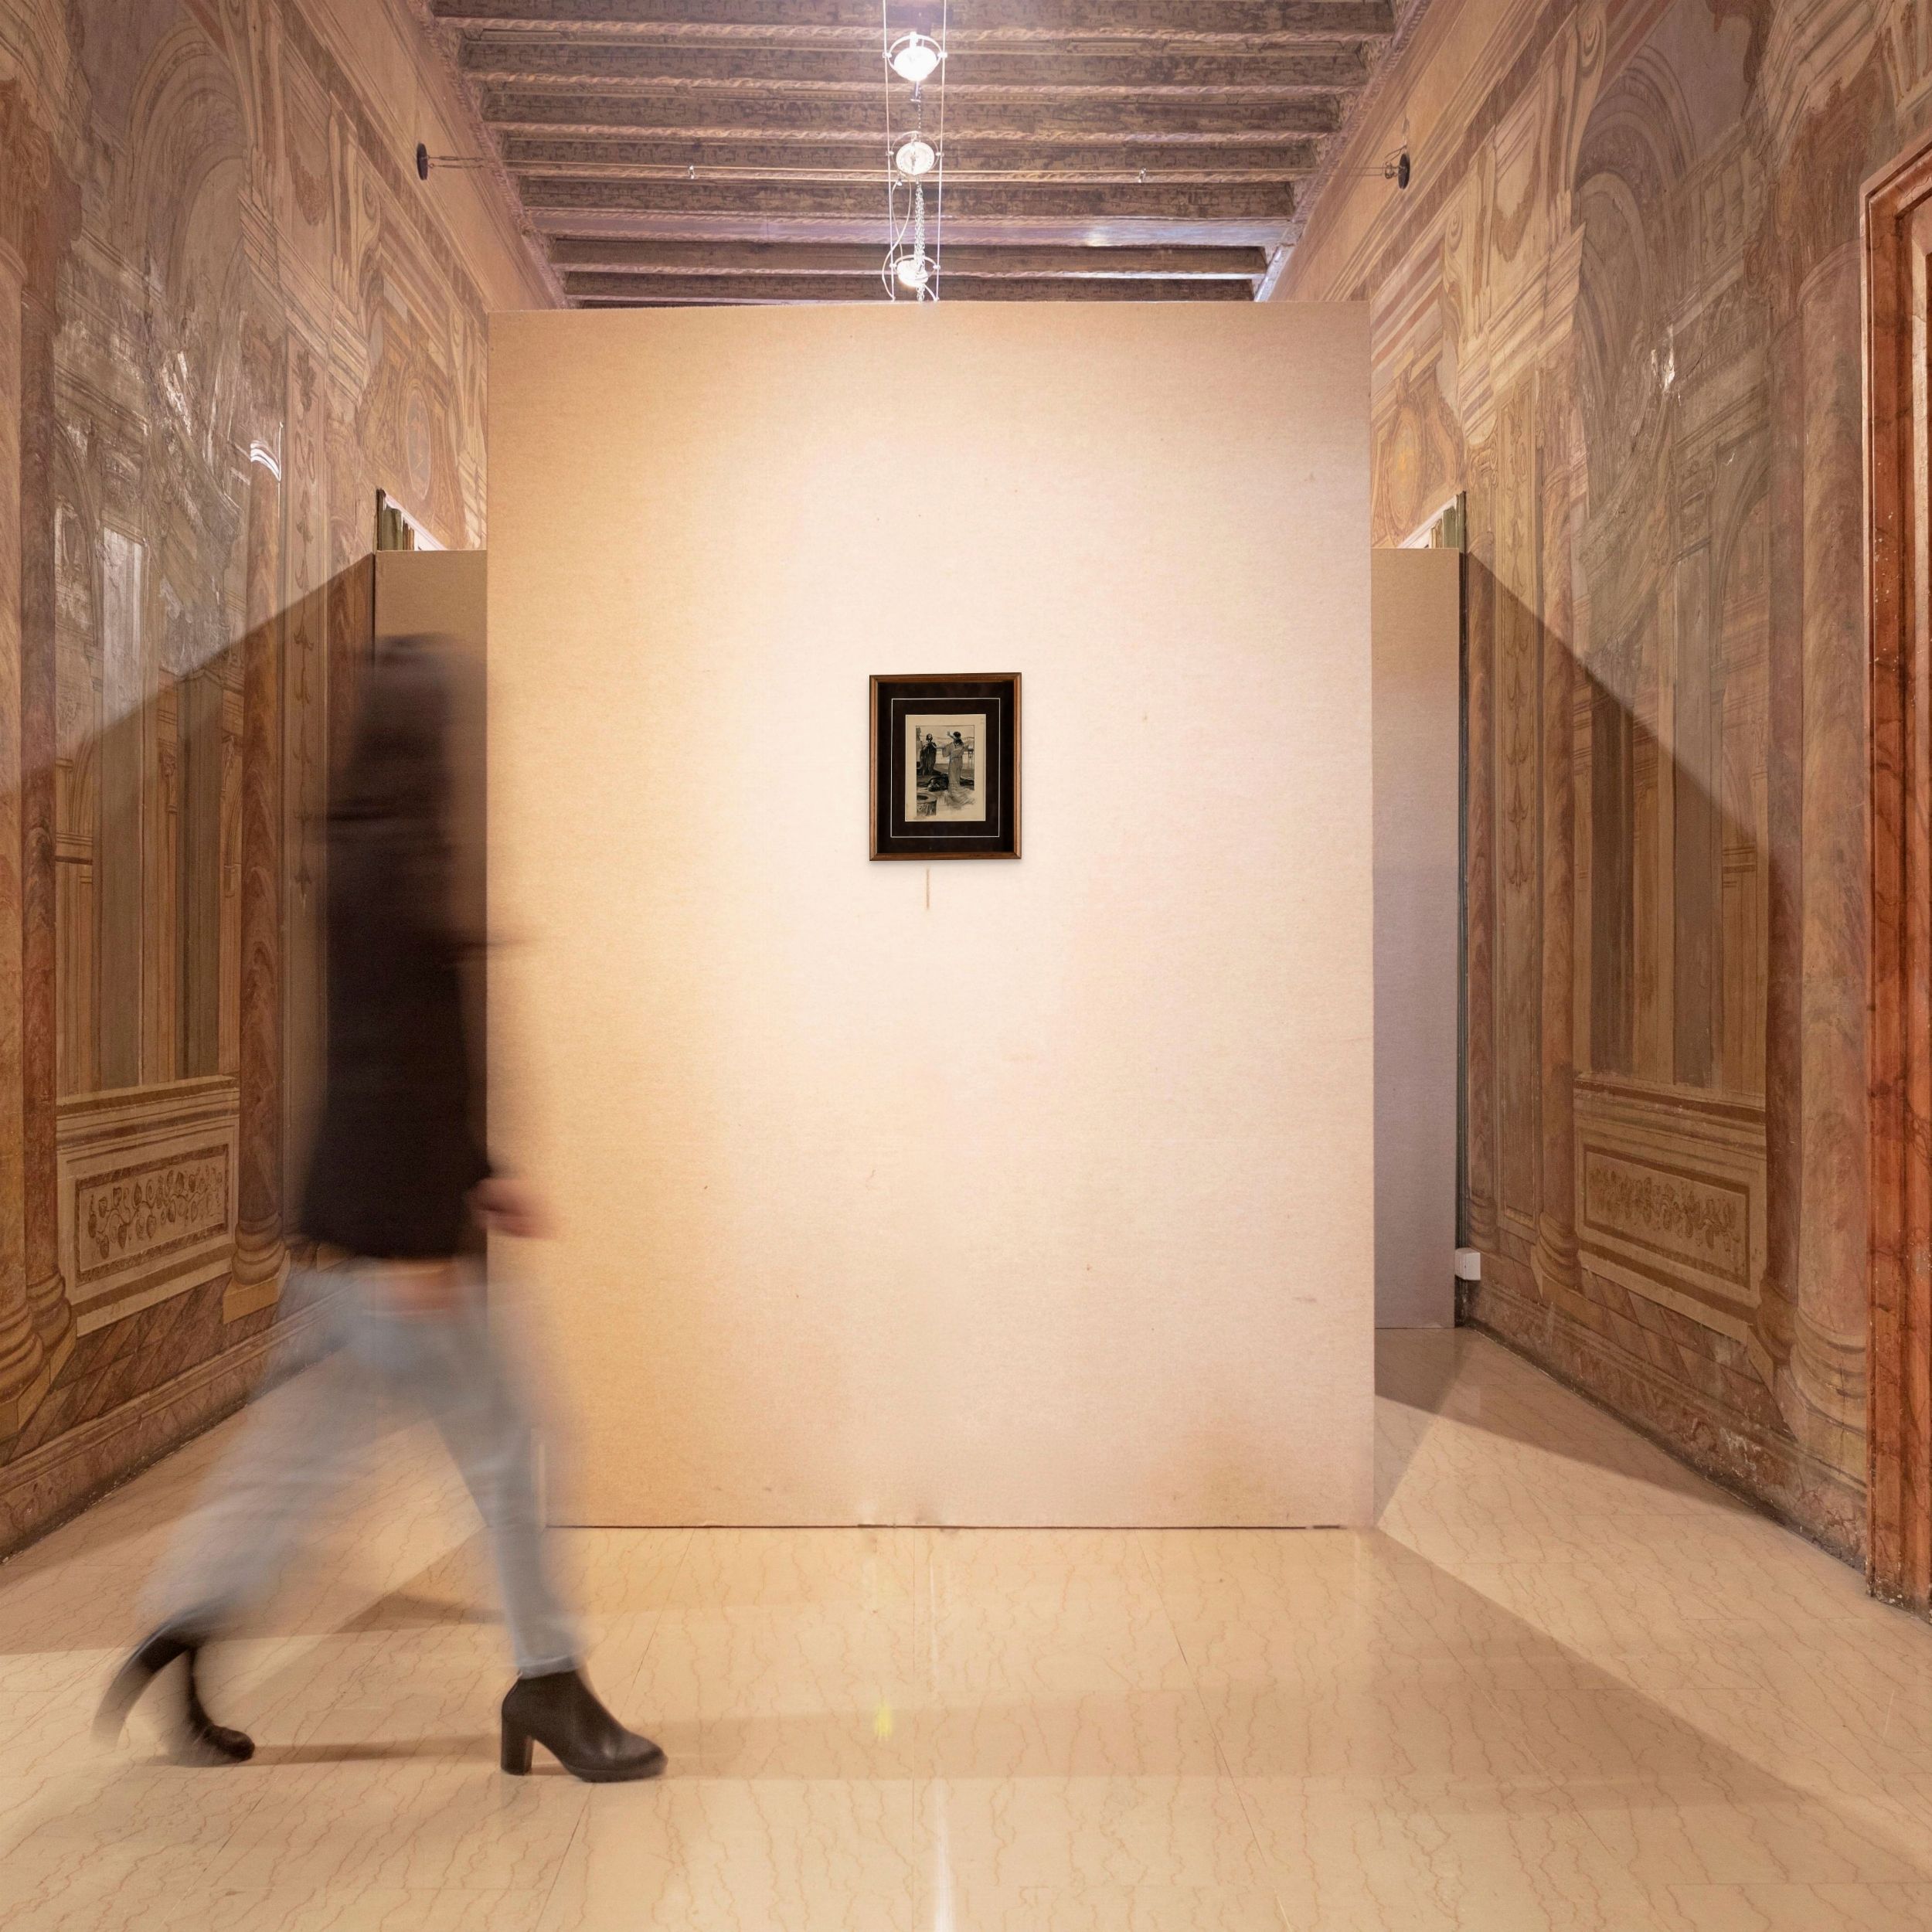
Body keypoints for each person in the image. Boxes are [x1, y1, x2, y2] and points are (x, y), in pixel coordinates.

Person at [95, 638, 664, 1784]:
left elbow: (409, 1055)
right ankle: (548, 1681)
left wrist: (483, 1168)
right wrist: (421, 1239)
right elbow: (393, 1062)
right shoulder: (404, 868)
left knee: (300, 1467)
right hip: (397, 1244)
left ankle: (182, 1628)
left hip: (351, 1229)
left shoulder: (364, 855)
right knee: (513, 1447)